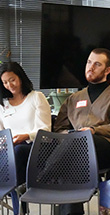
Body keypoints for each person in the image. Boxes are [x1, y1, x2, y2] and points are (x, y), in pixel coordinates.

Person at [54, 48, 110, 215]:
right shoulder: (73, 99)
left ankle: (48, 171)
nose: (90, 67)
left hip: (106, 148)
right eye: (89, 62)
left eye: (97, 64)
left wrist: (94, 130)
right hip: (75, 152)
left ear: (107, 70)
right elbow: (59, 129)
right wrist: (71, 135)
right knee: (72, 166)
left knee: (83, 140)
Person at [0, 62, 52, 214]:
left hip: (34, 147)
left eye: (12, 79)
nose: (9, 85)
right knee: (13, 154)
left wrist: (27, 135)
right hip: (11, 150)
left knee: (18, 151)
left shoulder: (36, 97)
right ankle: (19, 204)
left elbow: (45, 129)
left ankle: (16, 201)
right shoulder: (3, 105)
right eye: (4, 82)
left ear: (20, 78)